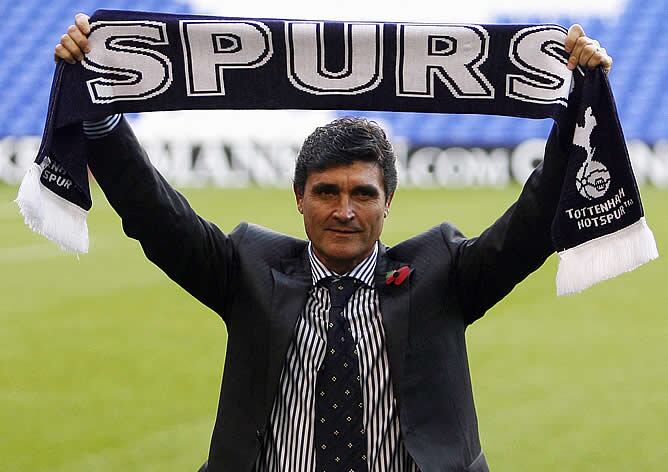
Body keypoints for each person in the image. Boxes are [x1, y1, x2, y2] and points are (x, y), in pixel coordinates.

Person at [55, 13, 613, 472]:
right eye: (326, 192)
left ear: (388, 201)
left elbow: (532, 224)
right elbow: (156, 214)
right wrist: (97, 110)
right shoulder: (247, 266)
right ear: (298, 198)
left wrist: (576, 117)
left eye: (362, 194)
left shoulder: (442, 272)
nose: (344, 211)